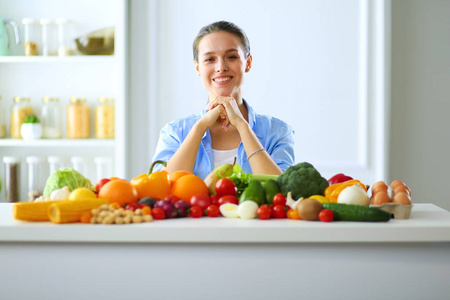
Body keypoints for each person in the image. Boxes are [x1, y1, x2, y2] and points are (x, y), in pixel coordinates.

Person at [152, 21, 295, 179]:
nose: (221, 67)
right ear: (198, 68)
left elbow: (281, 191)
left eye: (231, 57)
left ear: (248, 63)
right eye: (209, 59)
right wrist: (200, 127)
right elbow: (161, 190)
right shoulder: (174, 133)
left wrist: (242, 126)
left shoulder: (278, 132)